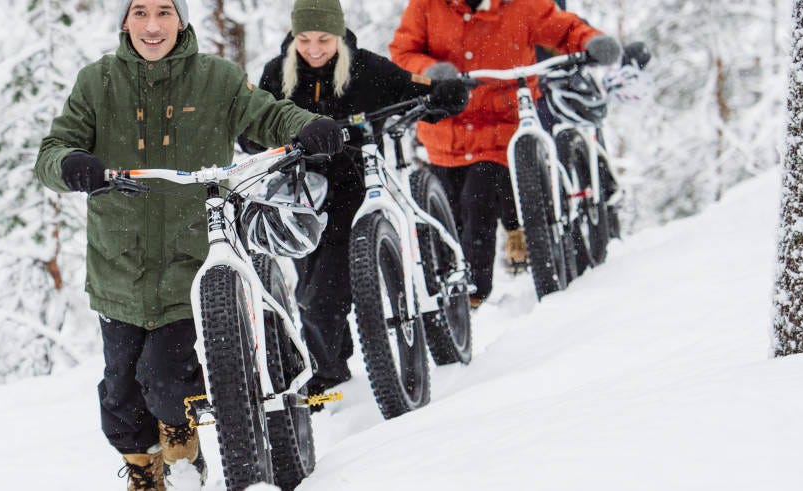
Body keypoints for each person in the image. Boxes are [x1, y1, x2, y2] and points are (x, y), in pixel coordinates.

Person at [33, 0, 343, 489]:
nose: (152, 26)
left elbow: (267, 115)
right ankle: (143, 471)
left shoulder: (216, 78)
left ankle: (182, 448)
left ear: (180, 19)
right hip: (120, 264)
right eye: (140, 12)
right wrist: (72, 164)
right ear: (124, 20)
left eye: (164, 12)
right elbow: (52, 151)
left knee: (167, 375)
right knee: (120, 391)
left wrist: (304, 126)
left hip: (192, 262)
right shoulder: (97, 82)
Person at [239, 0, 470, 404]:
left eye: (323, 39)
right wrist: (252, 136)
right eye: (304, 39)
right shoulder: (277, 73)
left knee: (323, 294)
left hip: (356, 188)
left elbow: (413, 90)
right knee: (311, 290)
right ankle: (334, 373)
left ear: (339, 36)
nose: (313, 48)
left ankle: (330, 377)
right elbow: (257, 122)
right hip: (302, 193)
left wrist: (443, 94)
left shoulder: (366, 67)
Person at [390, 0, 621, 305]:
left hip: (501, 131)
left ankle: (474, 294)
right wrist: (431, 71)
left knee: (478, 205)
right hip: (446, 132)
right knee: (451, 224)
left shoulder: (522, 5)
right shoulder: (427, 6)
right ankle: (451, 304)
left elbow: (563, 28)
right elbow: (403, 53)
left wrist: (590, 41)